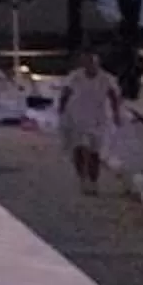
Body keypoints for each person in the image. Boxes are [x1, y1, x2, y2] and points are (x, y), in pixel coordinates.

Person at [56, 50, 124, 194]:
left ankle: (93, 181)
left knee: (94, 152)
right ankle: (83, 178)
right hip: (76, 117)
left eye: (92, 62)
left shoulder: (106, 78)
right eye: (86, 63)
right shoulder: (75, 77)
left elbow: (113, 96)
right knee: (80, 148)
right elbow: (65, 93)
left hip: (97, 119)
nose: (89, 66)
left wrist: (116, 114)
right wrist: (61, 111)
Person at [110, 0, 143, 101]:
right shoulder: (134, 7)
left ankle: (127, 87)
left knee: (127, 61)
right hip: (130, 33)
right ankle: (129, 87)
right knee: (129, 60)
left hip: (127, 33)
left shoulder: (126, 8)